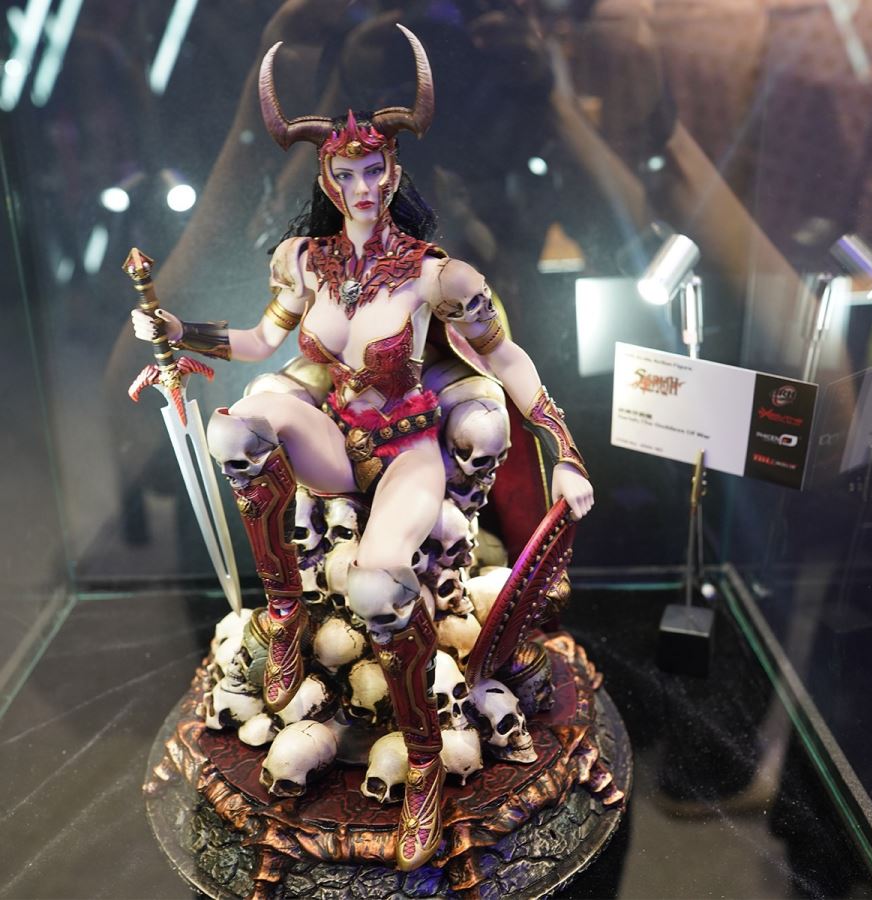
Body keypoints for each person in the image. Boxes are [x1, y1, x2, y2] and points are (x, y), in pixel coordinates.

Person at [131, 25, 592, 871]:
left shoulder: (435, 275)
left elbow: (509, 359)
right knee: (235, 427)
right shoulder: (301, 262)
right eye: (345, 174)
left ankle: (423, 765)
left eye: (375, 170)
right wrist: (176, 329)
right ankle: (282, 612)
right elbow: (257, 342)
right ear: (325, 180)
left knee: (380, 586)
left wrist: (563, 448)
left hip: (410, 447)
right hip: (335, 441)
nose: (363, 186)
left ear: (395, 171)